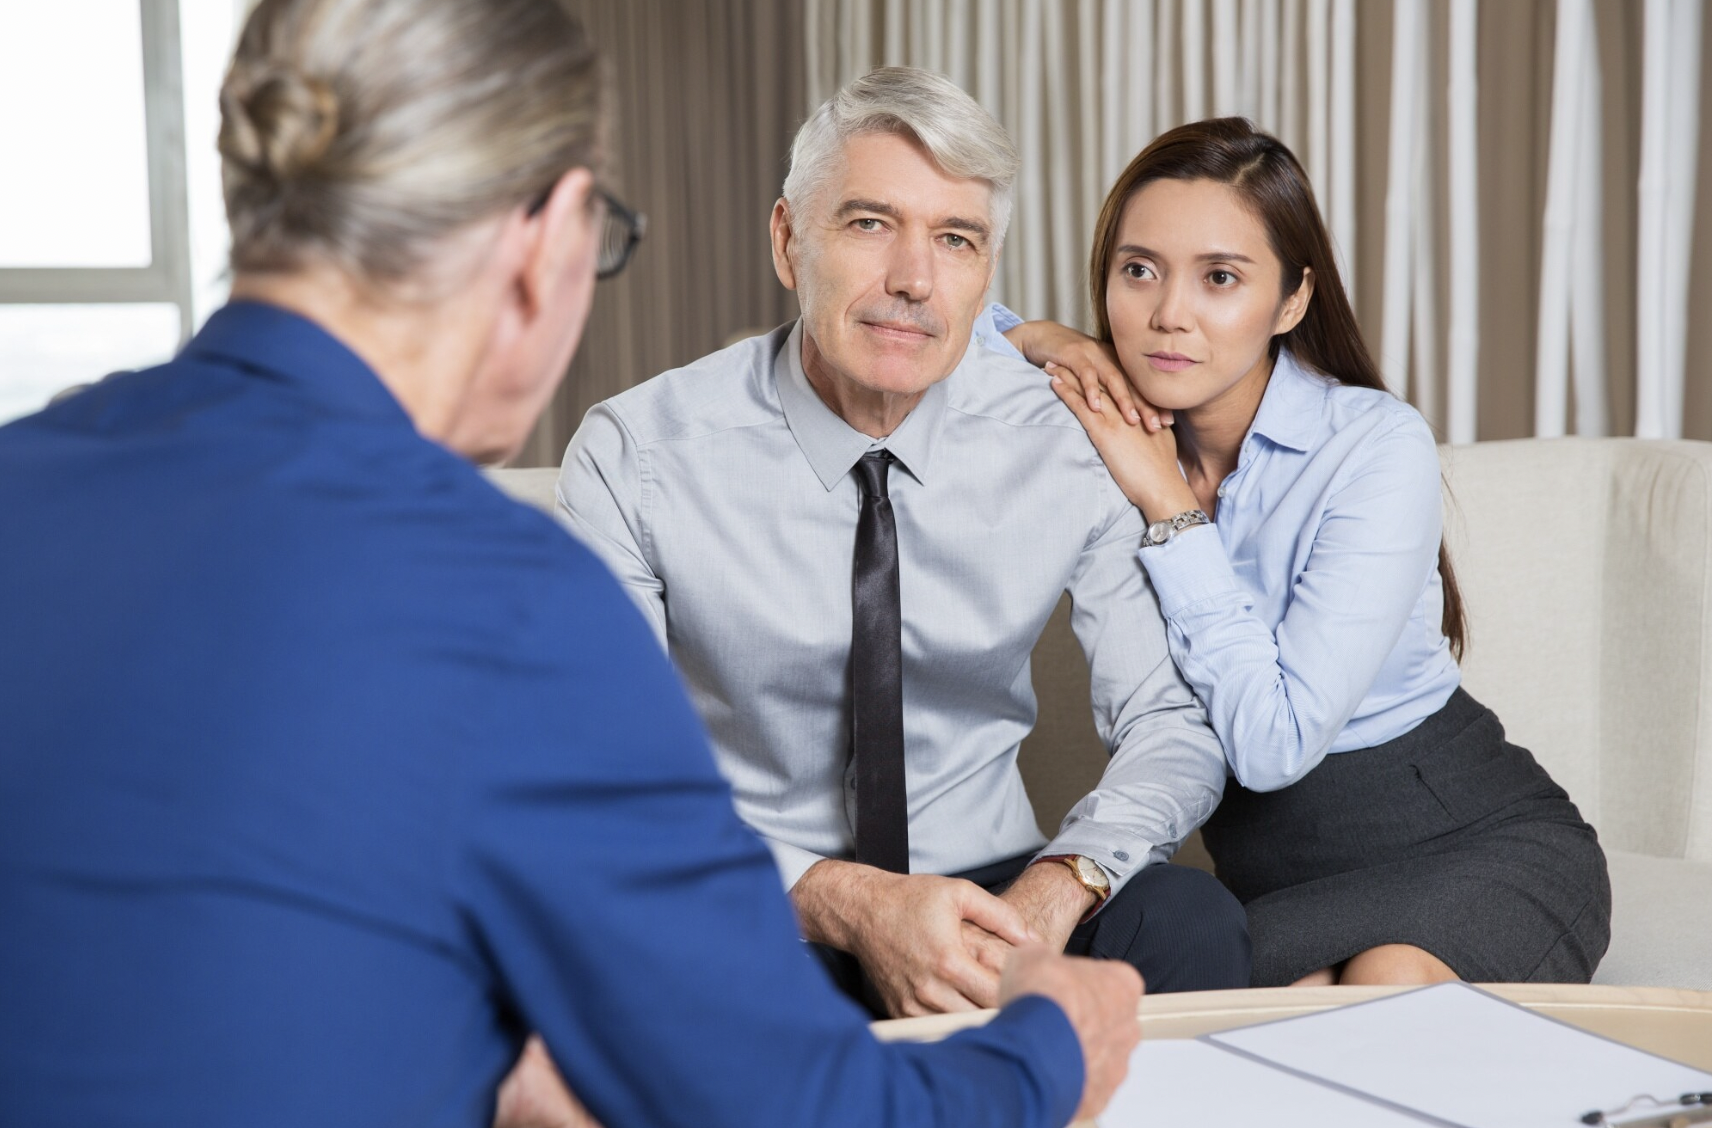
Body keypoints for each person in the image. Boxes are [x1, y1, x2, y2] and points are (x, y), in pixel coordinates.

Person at [0, 5, 1147, 1126]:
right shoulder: (507, 600)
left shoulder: (23, 482)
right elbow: (805, 1105)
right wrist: (1051, 1043)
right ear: (543, 237)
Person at [557, 67, 1251, 1021]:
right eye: (869, 223)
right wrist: (850, 904)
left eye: (955, 240)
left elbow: (1171, 719)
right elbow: (597, 769)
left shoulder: (1070, 440)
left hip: (996, 891)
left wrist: (1052, 896)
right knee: (632, 972)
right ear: (788, 242)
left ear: (985, 276)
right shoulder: (637, 454)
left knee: (1189, 923)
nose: (914, 281)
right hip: (762, 896)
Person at [1008, 117, 1610, 988]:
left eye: (1220, 278)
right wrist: (1045, 339)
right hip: (1281, 879)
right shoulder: (1105, 418)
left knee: (1381, 1000)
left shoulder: (1372, 444)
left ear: (1292, 300)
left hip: (1474, 839)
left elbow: (1273, 745)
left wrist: (1170, 504)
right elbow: (934, 338)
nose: (1168, 315)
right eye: (1138, 270)